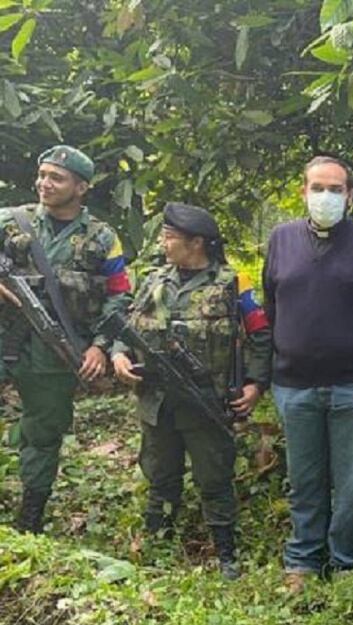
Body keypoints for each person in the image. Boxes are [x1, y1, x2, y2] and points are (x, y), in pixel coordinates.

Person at [110, 202, 271, 580]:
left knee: (214, 478)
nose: (164, 244)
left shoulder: (234, 282)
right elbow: (126, 328)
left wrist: (256, 384)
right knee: (160, 474)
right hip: (157, 402)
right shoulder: (153, 280)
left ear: (196, 243)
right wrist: (118, 356)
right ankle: (158, 543)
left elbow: (260, 334)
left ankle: (226, 552)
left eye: (170, 237)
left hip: (206, 402)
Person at [263, 155, 353, 590]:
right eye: (317, 187)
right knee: (304, 480)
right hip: (294, 385)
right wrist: (267, 374)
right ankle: (303, 559)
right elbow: (270, 307)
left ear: (351, 195)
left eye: (335, 189)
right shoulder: (281, 240)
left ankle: (349, 563)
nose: (326, 196)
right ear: (303, 192)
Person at [0, 145, 132, 534]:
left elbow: (119, 295)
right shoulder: (10, 220)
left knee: (43, 431)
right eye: (42, 175)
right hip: (5, 333)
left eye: (56, 177)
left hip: (53, 351)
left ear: (81, 187)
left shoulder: (103, 238)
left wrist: (100, 346)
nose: (44, 183)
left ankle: (30, 519)